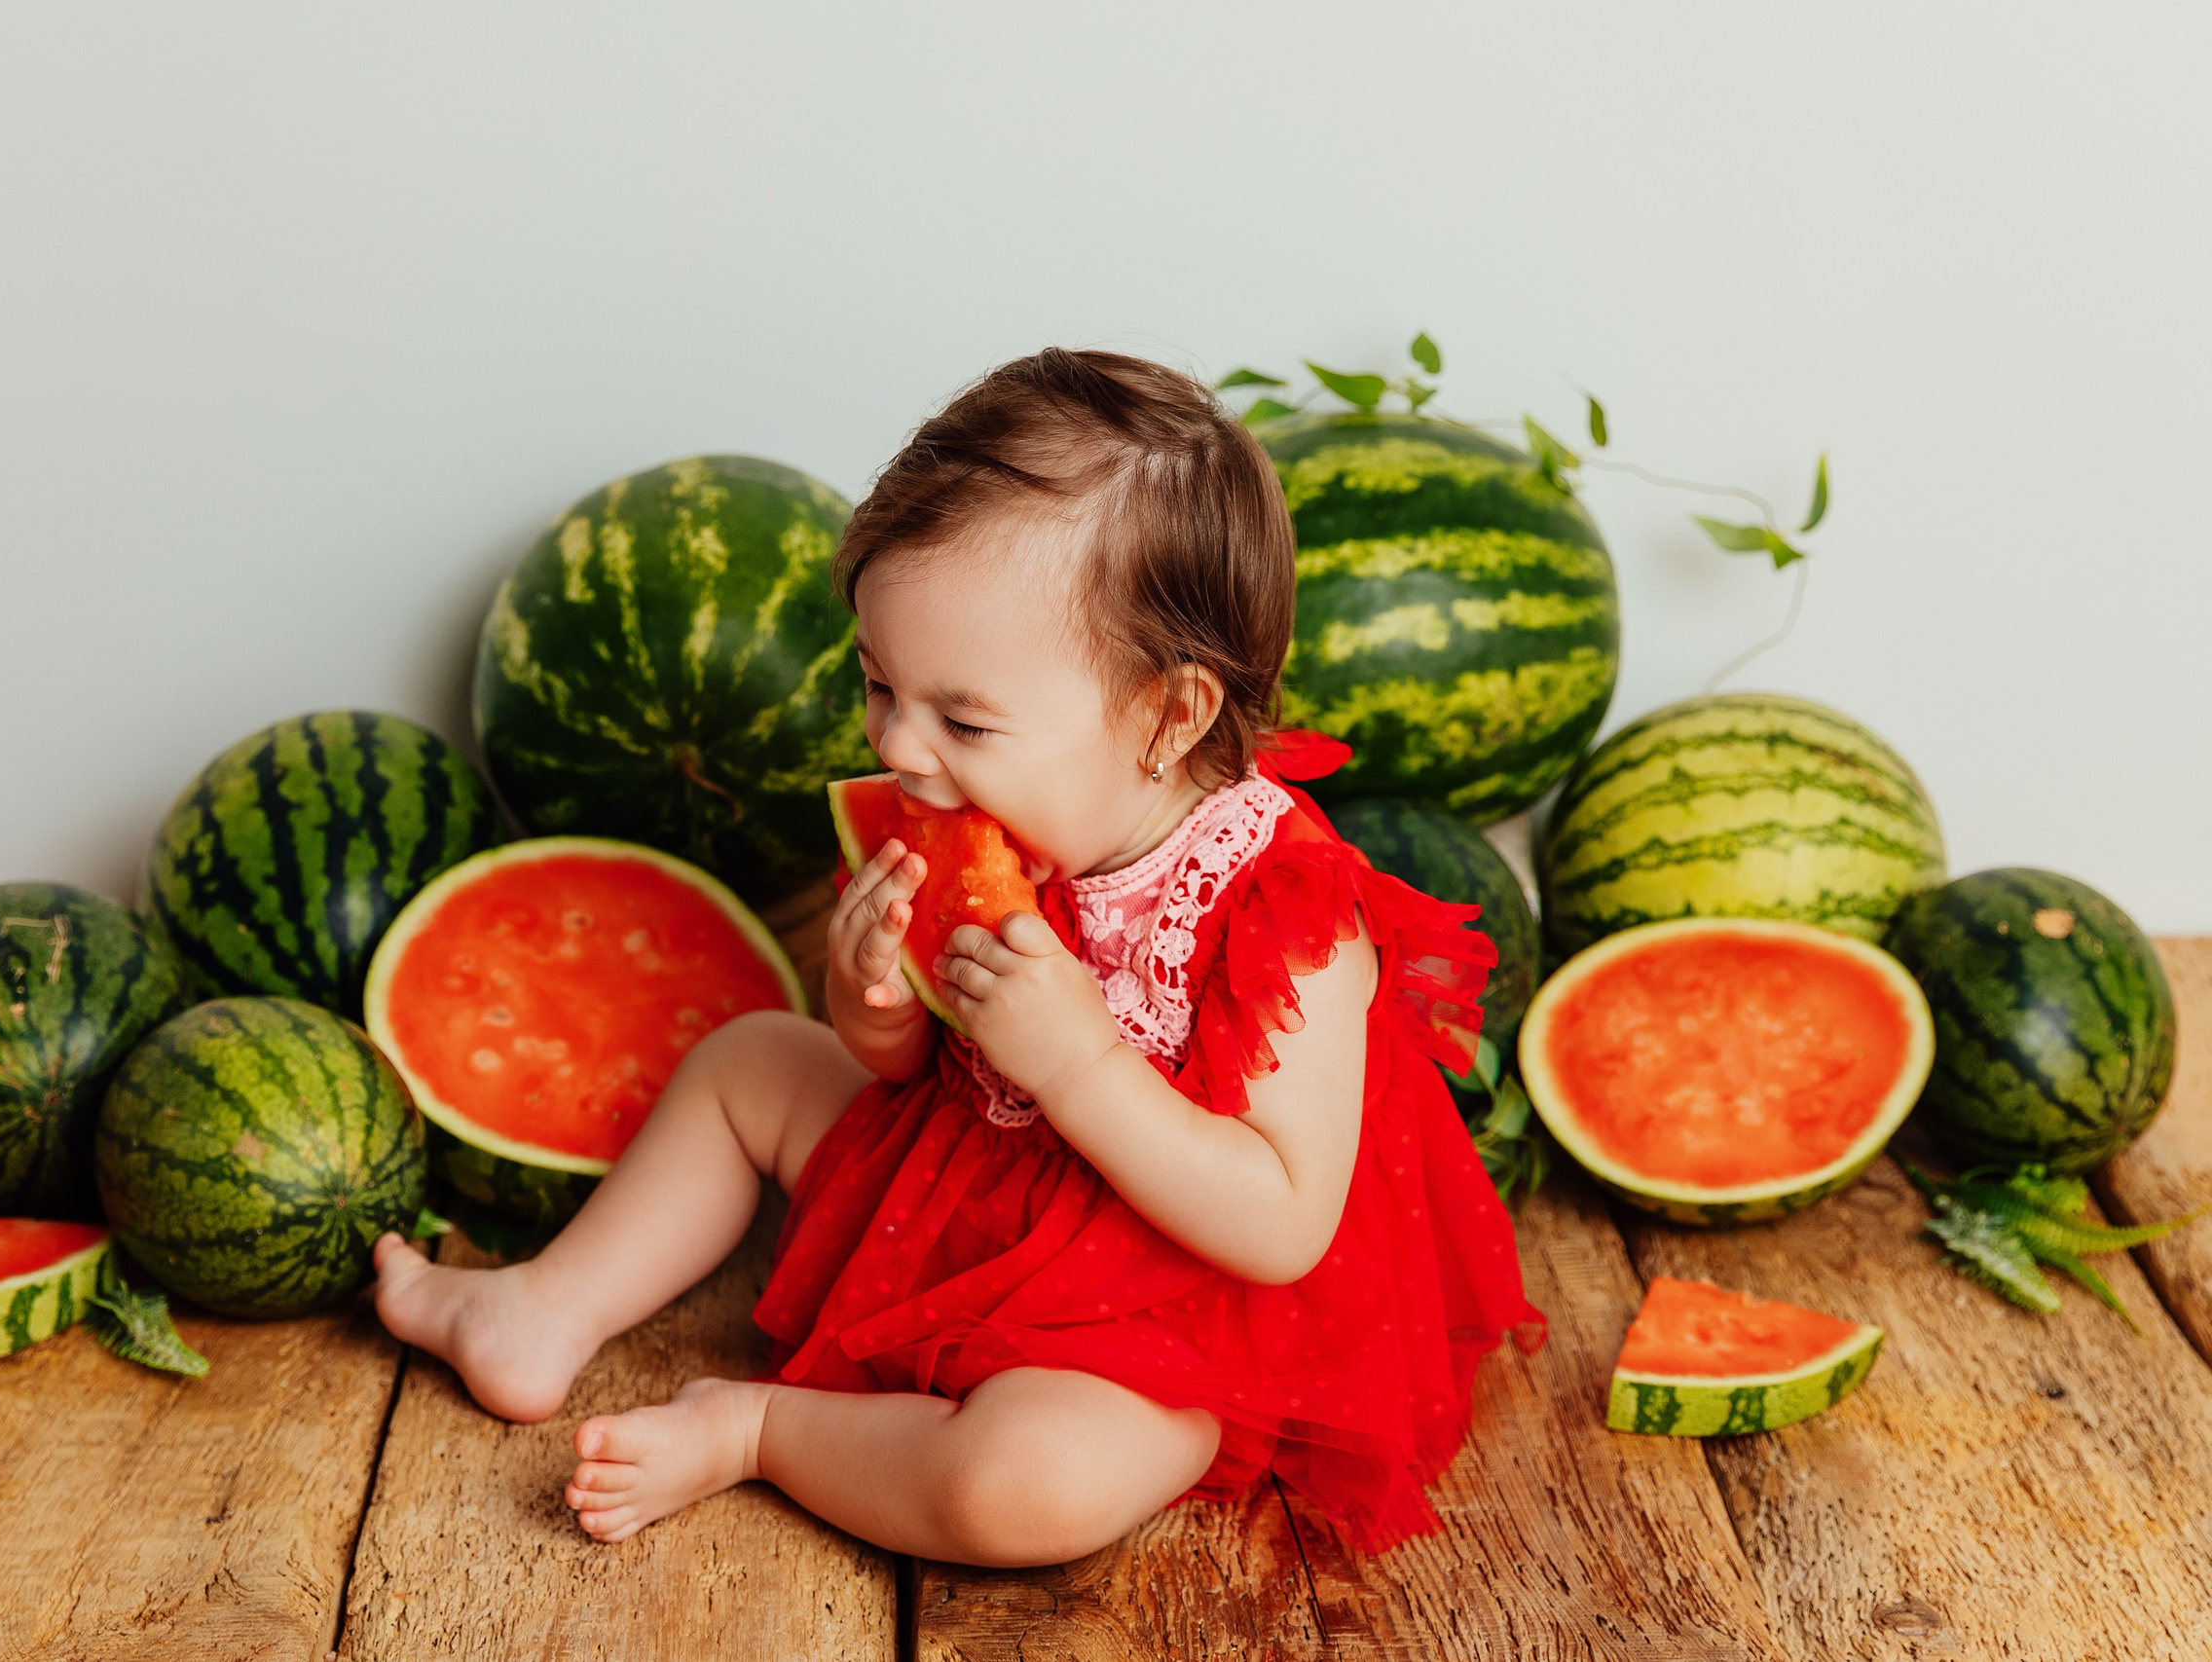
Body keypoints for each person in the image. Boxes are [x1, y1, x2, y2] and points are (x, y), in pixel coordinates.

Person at [370, 348, 1543, 1567]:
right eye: (879, 686)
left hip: (1174, 1308)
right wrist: (869, 991)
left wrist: (1080, 1064)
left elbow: (1282, 1225)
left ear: (1167, 716)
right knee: (745, 1062)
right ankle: (543, 1307)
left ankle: (760, 1428)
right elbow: (895, 1069)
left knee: (1019, 1487)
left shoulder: (1284, 913)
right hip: (964, 1179)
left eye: (963, 719)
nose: (900, 749)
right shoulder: (996, 811)